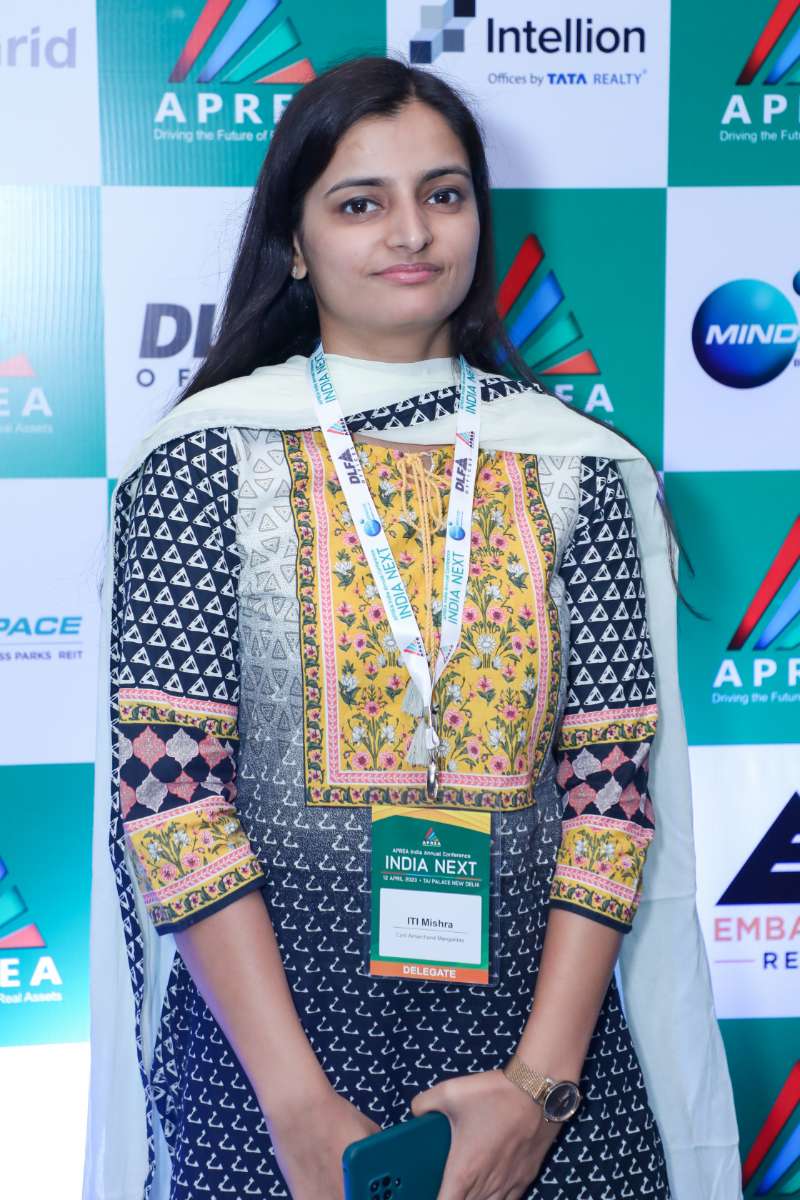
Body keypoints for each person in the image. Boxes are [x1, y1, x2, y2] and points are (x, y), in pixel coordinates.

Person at [83, 54, 740, 1200]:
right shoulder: (201, 460)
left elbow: (608, 791)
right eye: (359, 202)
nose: (411, 232)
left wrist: (535, 1093)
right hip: (268, 1074)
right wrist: (297, 1109)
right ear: (294, 242)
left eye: (443, 194)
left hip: (543, 1064)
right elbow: (172, 796)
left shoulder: (576, 467)